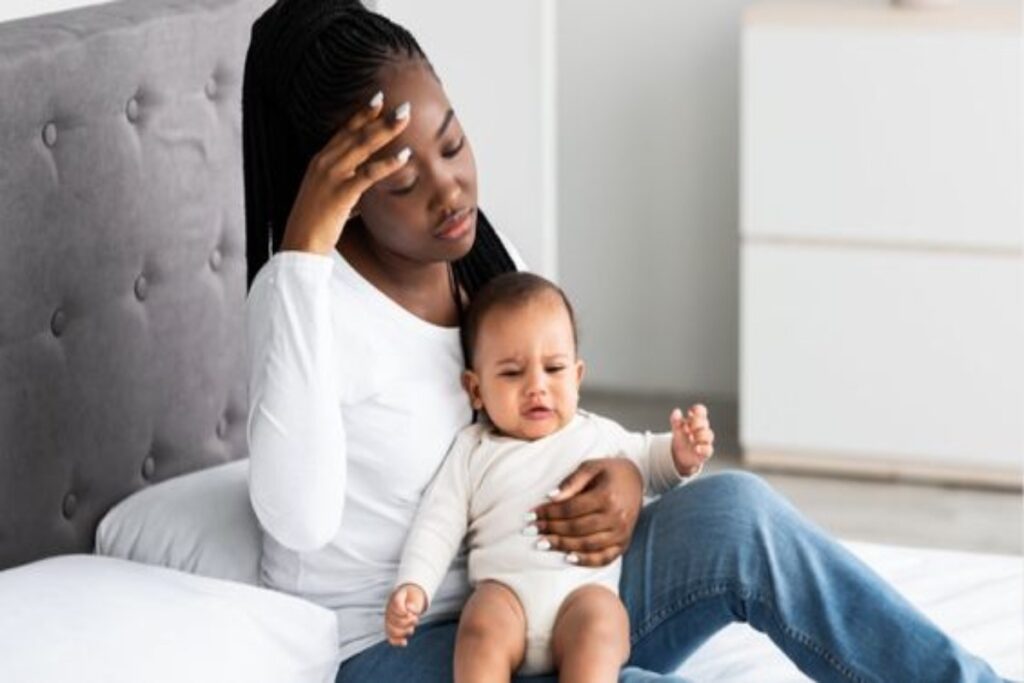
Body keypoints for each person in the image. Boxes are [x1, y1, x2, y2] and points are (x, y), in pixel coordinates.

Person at [242, 1, 1009, 681]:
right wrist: (304, 251)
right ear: (333, 187)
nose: (450, 190)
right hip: (403, 648)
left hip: (543, 591)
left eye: (453, 144)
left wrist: (625, 478)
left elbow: (537, 432)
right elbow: (299, 520)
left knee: (736, 509)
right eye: (403, 183)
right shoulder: (303, 300)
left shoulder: (470, 272)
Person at [384, 272, 714, 682]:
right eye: (511, 373)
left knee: (603, 624)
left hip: (580, 597)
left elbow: (652, 460)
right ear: (475, 389)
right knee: (478, 629)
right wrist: (414, 585)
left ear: (577, 377)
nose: (536, 387)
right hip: (505, 598)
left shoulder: (597, 435)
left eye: (554, 368)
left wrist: (683, 452)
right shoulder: (473, 450)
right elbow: (438, 523)